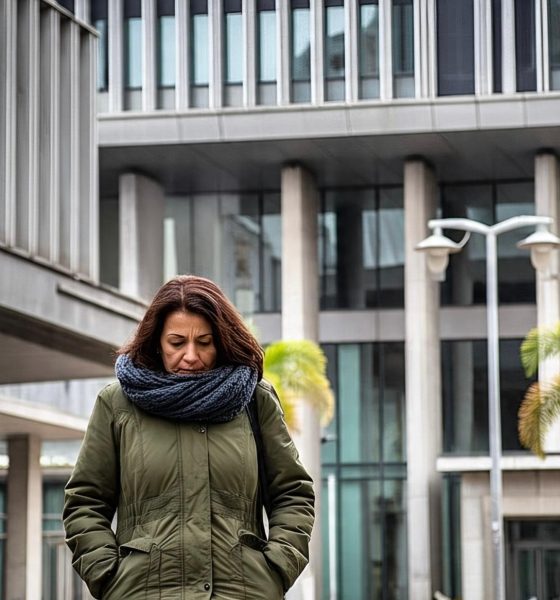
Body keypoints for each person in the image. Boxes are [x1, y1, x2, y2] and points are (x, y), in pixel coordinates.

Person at [63, 275, 315, 599]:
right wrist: (108, 576)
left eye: (204, 342)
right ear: (157, 342)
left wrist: (276, 569)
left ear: (221, 341)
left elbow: (292, 492)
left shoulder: (253, 399)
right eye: (177, 343)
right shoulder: (117, 404)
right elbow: (85, 502)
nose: (191, 356)